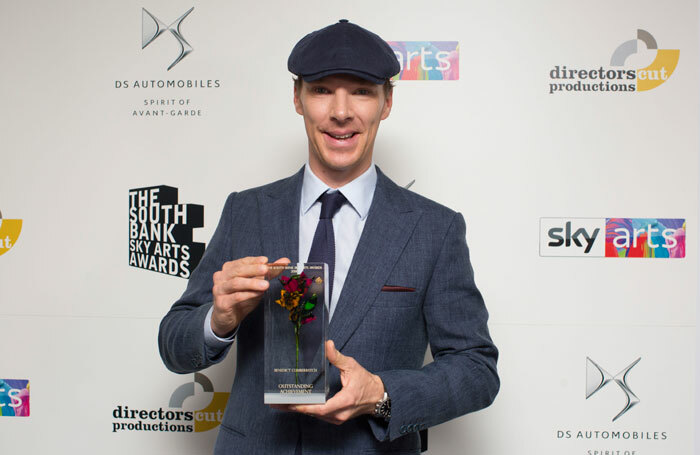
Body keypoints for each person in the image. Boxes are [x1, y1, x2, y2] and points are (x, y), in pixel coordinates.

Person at [158, 19, 499, 455]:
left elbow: (476, 369)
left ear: (387, 102)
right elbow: (174, 344)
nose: (341, 112)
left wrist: (381, 392)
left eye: (361, 90)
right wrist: (217, 322)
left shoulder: (434, 228)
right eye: (321, 90)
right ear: (297, 99)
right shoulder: (247, 210)